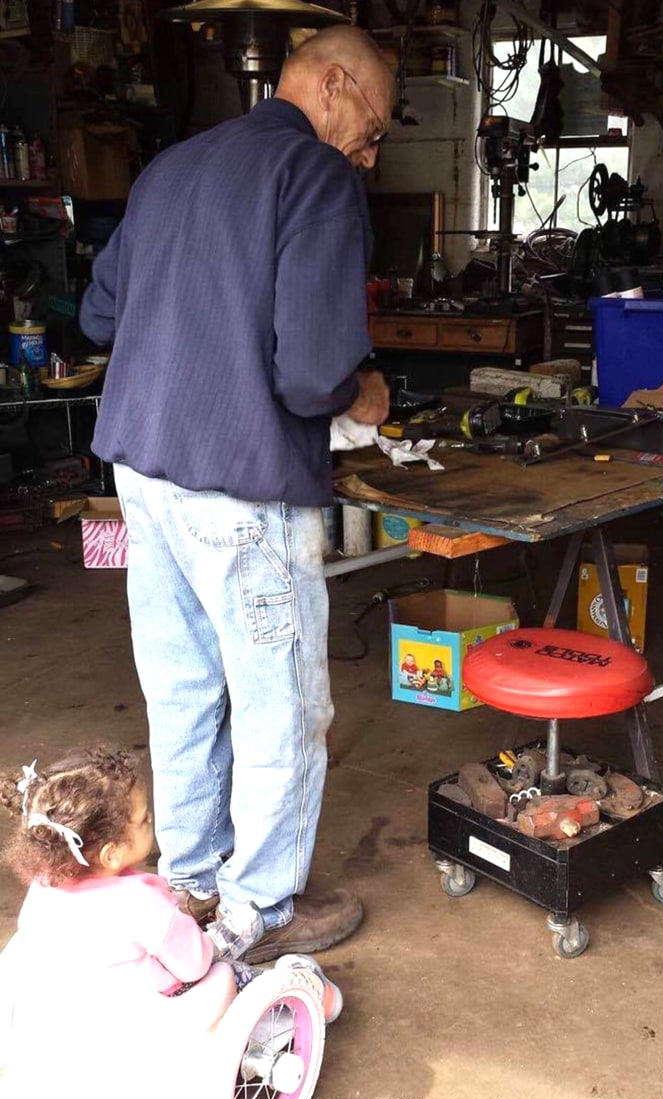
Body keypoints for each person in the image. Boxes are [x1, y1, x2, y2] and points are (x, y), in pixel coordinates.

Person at [78, 26, 395, 963]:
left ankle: (191, 880)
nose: (368, 155)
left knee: (179, 687)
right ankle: (263, 908)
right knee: (279, 705)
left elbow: (100, 314)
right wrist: (364, 388)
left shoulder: (173, 166)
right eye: (371, 130)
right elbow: (310, 376)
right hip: (242, 487)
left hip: (141, 471)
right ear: (333, 86)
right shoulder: (315, 177)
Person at [0, 747, 342, 1099]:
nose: (150, 822)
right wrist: (204, 936)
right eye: (142, 820)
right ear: (108, 852)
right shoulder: (143, 905)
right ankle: (315, 996)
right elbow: (195, 962)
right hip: (160, 1016)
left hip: (81, 1014)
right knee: (233, 971)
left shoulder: (44, 889)